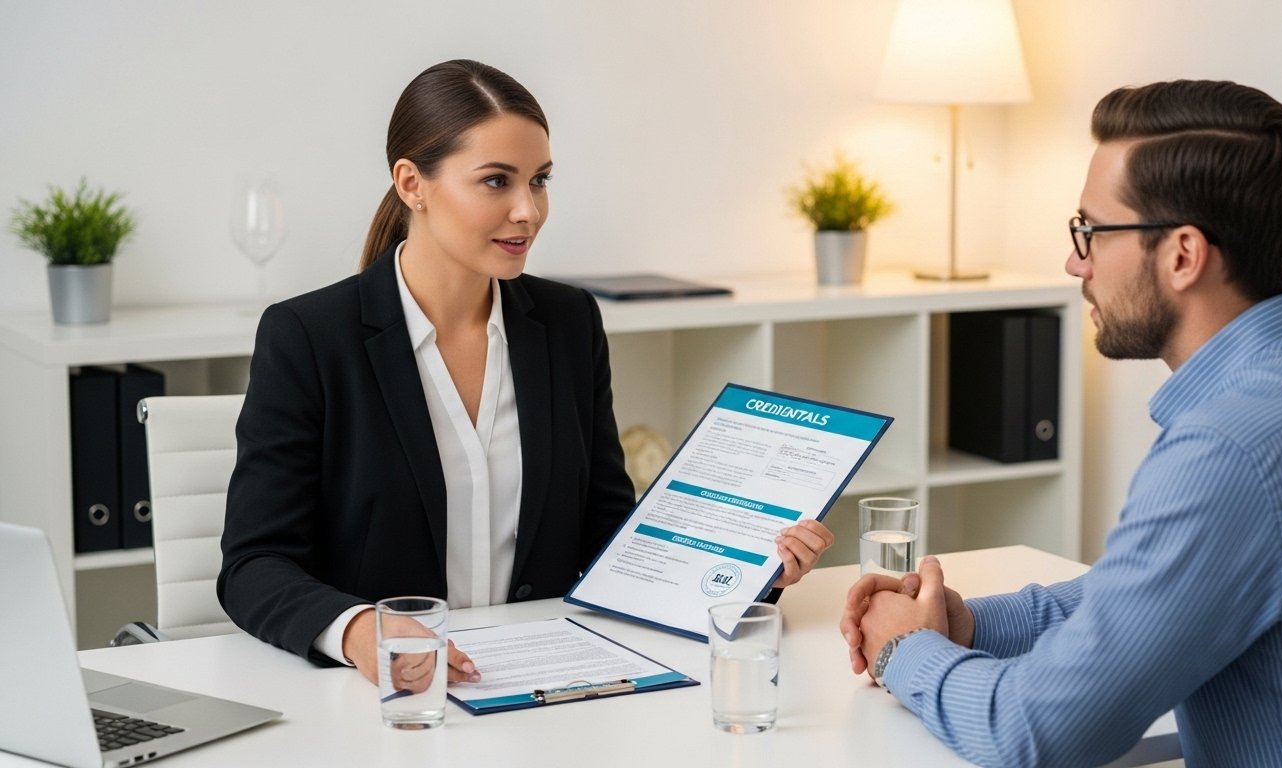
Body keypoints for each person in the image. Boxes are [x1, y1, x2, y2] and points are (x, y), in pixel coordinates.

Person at [840, 80, 1282, 766]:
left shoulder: (1229, 451)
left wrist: (906, 650)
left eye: (1090, 231)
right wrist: (965, 622)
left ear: (1183, 255)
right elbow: (1148, 595)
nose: (1075, 262)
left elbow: (1031, 734)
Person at [219, 59, 834, 687]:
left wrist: (748, 566)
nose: (528, 211)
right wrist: (357, 632)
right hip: (391, 698)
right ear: (412, 184)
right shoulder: (310, 336)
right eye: (496, 181)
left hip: (547, 682)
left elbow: (605, 533)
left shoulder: (567, 323)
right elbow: (254, 565)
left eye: (539, 181)